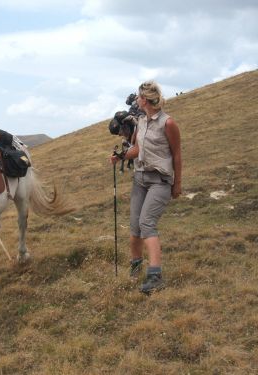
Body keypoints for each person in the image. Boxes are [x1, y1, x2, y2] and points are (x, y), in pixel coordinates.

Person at [111, 80, 182, 295]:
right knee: (135, 228)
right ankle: (135, 269)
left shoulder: (168, 123)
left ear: (145, 99)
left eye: (138, 97)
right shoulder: (141, 121)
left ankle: (155, 276)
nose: (136, 99)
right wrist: (121, 155)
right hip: (140, 178)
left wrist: (177, 183)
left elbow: (177, 154)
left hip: (160, 180)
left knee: (146, 223)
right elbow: (138, 149)